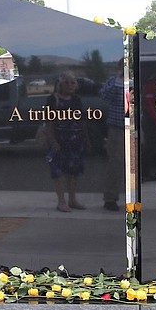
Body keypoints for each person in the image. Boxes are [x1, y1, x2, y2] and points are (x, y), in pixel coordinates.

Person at [46, 71, 90, 212]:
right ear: (60, 84)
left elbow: (82, 121)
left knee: (74, 171)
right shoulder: (53, 99)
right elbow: (49, 123)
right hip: (59, 140)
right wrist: (53, 141)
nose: (70, 85)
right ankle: (61, 202)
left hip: (76, 140)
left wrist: (86, 139)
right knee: (59, 173)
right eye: (67, 82)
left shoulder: (76, 100)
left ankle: (72, 199)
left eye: (73, 82)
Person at [99, 58, 126, 211]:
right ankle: (110, 198)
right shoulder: (113, 81)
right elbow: (104, 96)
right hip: (117, 128)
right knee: (115, 164)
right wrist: (118, 82)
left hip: (133, 128)